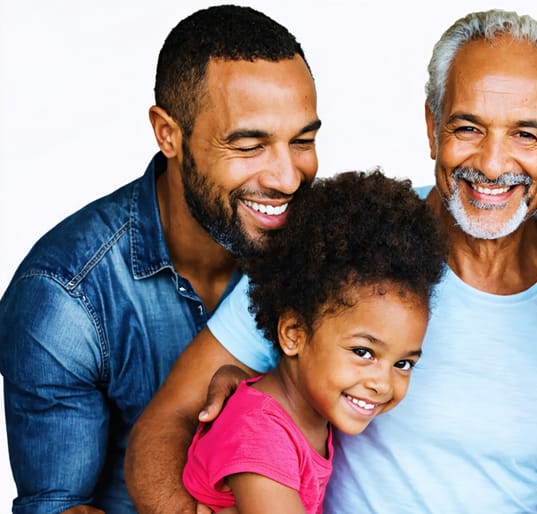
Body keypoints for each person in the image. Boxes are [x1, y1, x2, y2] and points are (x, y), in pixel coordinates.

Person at [126, 9, 537, 514]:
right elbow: (167, 421)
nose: (491, 163)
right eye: (468, 128)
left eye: (526, 134)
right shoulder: (348, 245)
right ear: (431, 125)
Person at [0, 5, 320, 513]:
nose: (286, 177)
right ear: (168, 133)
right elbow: (59, 508)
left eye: (303, 141)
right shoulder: (64, 296)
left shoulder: (324, 247)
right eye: (249, 145)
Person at [182, 170, 446, 512]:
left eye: (403, 363)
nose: (382, 383)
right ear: (294, 334)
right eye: (363, 352)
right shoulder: (260, 435)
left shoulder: (308, 411)